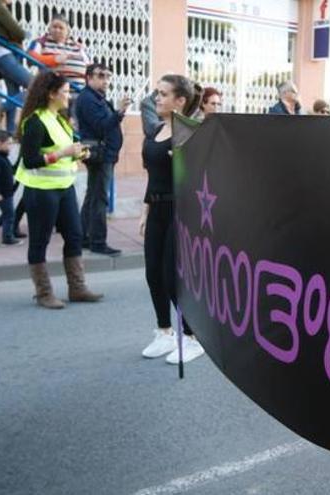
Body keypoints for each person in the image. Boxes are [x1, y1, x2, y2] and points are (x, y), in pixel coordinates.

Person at [15, 71, 102, 309]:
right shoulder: (34, 121)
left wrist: (79, 153)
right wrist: (63, 154)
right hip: (41, 191)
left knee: (74, 235)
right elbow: (30, 160)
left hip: (64, 188)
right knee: (39, 241)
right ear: (51, 94)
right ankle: (44, 293)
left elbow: (65, 148)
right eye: (64, 92)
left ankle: (77, 288)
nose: (68, 96)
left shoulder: (60, 118)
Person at [139, 74, 205, 365]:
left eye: (164, 94)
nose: (158, 98)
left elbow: (201, 177)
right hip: (156, 210)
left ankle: (192, 337)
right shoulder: (153, 131)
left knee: (171, 277)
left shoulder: (190, 133)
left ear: (181, 100)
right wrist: (145, 211)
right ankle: (164, 331)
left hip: (181, 212)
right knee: (152, 273)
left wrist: (182, 159)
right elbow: (152, 177)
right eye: (157, 93)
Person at [75, 63, 129, 257]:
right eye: (101, 76)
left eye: (108, 76)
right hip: (100, 155)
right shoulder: (88, 99)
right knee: (100, 199)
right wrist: (120, 112)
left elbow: (107, 124)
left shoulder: (96, 97)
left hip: (103, 154)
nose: (105, 80)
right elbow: (101, 126)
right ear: (89, 77)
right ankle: (98, 242)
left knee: (93, 196)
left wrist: (117, 114)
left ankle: (83, 238)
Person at [0, 0, 33, 134]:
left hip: (4, 54)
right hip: (4, 55)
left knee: (13, 92)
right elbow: (19, 33)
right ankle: (2, 108)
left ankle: (10, 131)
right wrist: (21, 36)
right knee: (36, 85)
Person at [27, 14, 90, 88]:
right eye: (54, 27)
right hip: (53, 91)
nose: (57, 30)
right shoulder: (41, 42)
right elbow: (30, 58)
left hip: (78, 91)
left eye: (61, 28)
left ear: (67, 31)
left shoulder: (77, 46)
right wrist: (53, 59)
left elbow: (89, 66)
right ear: (49, 28)